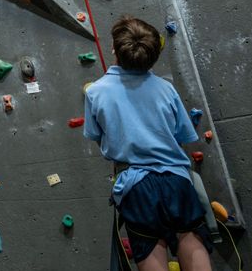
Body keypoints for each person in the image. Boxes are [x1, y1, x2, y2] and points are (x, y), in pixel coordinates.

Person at [84, 16, 212, 271]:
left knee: (151, 251)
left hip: (137, 187)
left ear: (115, 49)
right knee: (189, 239)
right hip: (176, 181)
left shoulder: (96, 92)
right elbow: (183, 135)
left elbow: (97, 136)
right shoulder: (166, 88)